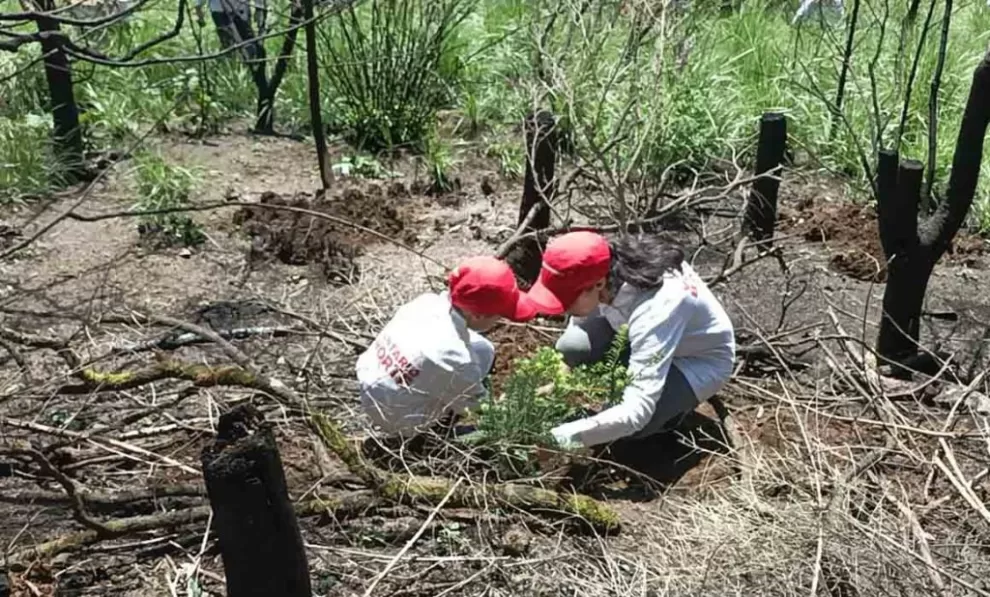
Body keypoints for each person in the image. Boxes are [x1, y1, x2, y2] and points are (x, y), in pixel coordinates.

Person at [525, 231, 735, 450]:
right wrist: (561, 373)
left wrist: (561, 439)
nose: (561, 307)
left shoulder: (657, 307)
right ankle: (639, 379)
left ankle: (672, 414)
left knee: (626, 424)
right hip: (638, 332)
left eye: (565, 298)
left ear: (598, 285)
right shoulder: (604, 263)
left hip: (695, 361)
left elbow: (636, 412)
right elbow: (580, 316)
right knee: (572, 346)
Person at [356, 256, 537, 438]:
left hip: (370, 389)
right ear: (479, 316)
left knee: (484, 350)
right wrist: (509, 409)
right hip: (399, 419)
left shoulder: (425, 302)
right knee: (476, 415)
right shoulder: (454, 357)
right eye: (499, 315)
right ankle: (429, 441)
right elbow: (482, 410)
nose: (501, 320)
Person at [195, 0, 267, 62]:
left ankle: (253, 66)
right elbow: (198, 4)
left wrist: (259, 8)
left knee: (248, 42)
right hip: (219, 11)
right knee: (228, 43)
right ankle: (233, 67)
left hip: (240, 9)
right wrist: (199, 12)